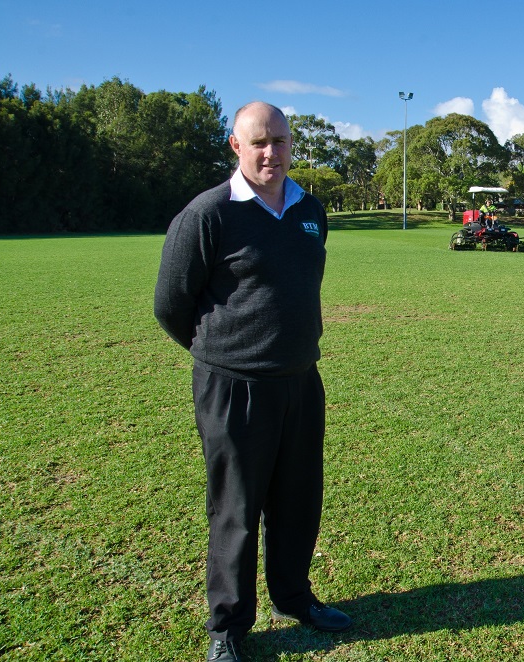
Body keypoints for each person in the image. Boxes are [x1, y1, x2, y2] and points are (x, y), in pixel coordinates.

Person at [154, 101, 351, 662]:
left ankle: (294, 597)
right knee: (236, 509)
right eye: (259, 142)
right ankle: (228, 627)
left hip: (299, 380)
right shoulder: (209, 213)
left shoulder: (310, 209)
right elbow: (171, 304)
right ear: (236, 147)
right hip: (233, 387)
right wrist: (222, 354)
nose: (272, 153)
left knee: (297, 501)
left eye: (281, 141)